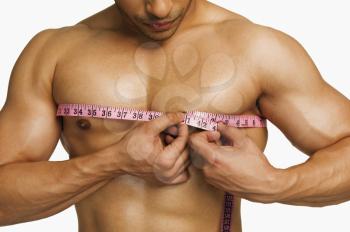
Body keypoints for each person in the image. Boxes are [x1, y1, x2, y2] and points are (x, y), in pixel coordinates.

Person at [0, 1, 349, 232]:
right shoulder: (55, 53)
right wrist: (112, 162)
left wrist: (275, 184)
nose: (159, 8)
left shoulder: (257, 48)